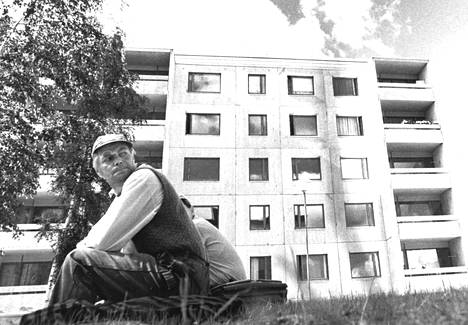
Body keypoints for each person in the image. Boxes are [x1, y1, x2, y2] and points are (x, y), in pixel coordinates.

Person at [48, 134, 209, 305]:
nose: (117, 160)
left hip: (180, 276)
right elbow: (105, 243)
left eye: (123, 153)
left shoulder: (144, 178)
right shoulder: (121, 197)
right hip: (176, 278)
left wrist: (84, 251)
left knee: (79, 262)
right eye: (109, 158)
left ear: (133, 156)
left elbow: (102, 243)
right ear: (98, 171)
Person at [180, 195, 246, 288]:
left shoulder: (196, 226)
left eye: (182, 210)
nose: (180, 216)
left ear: (192, 209)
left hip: (230, 286)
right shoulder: (198, 223)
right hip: (231, 282)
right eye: (176, 213)